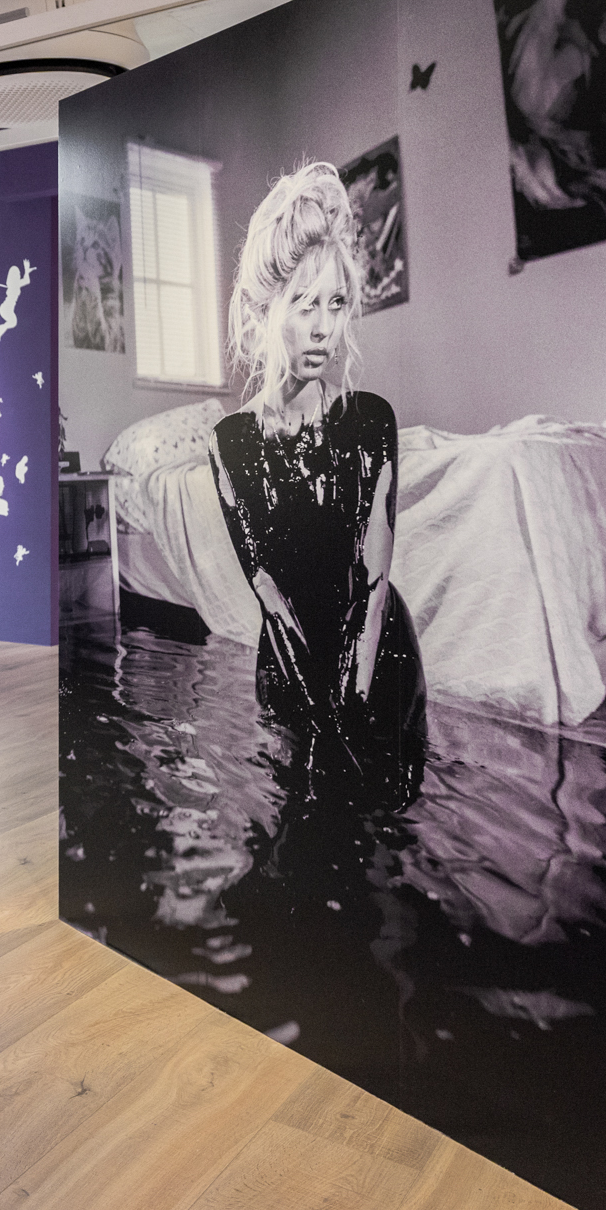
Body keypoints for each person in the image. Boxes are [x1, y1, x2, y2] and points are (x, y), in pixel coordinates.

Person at [207, 163, 424, 788]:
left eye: (336, 303)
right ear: (266, 311)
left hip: (379, 656)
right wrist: (322, 725)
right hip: (289, 664)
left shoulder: (371, 420)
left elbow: (373, 590)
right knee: (298, 818)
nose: (324, 327)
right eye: (305, 304)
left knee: (387, 817)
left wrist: (350, 715)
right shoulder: (230, 443)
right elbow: (273, 600)